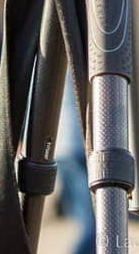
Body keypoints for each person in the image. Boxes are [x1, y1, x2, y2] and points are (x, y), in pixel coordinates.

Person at [53, 82, 93, 254]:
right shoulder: (78, 61)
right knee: (93, 226)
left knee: (85, 219)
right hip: (76, 149)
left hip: (61, 149)